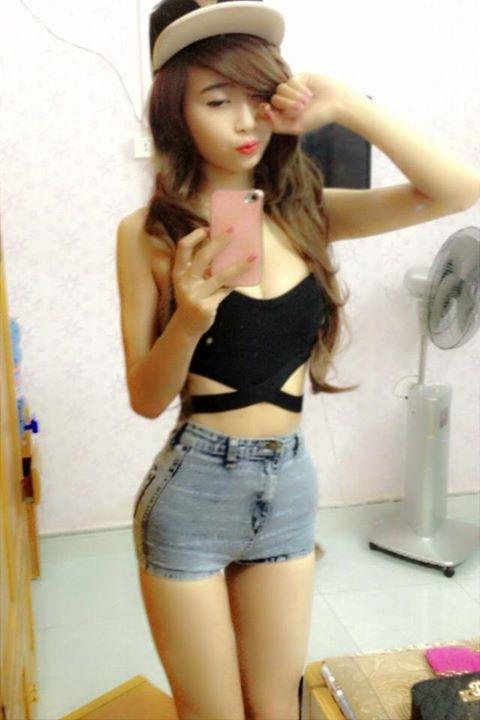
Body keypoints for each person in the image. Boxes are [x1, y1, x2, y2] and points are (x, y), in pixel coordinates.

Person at [116, 1, 480, 719]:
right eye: (216, 101)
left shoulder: (305, 209)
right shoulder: (148, 234)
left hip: (288, 488)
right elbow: (145, 397)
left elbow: (458, 189)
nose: (245, 122)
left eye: (258, 97)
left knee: (279, 708)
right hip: (194, 491)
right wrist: (189, 319)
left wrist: (346, 105)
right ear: (175, 113)